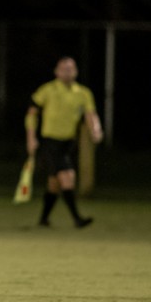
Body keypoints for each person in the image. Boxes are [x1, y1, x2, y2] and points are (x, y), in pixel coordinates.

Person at [25, 56, 103, 228]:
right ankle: (77, 219)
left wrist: (95, 129)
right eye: (63, 69)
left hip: (68, 143)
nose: (67, 72)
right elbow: (31, 113)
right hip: (50, 142)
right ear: (56, 71)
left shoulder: (83, 93)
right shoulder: (47, 90)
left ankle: (43, 220)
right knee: (68, 177)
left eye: (70, 69)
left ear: (75, 71)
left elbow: (90, 115)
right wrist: (31, 137)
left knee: (54, 184)